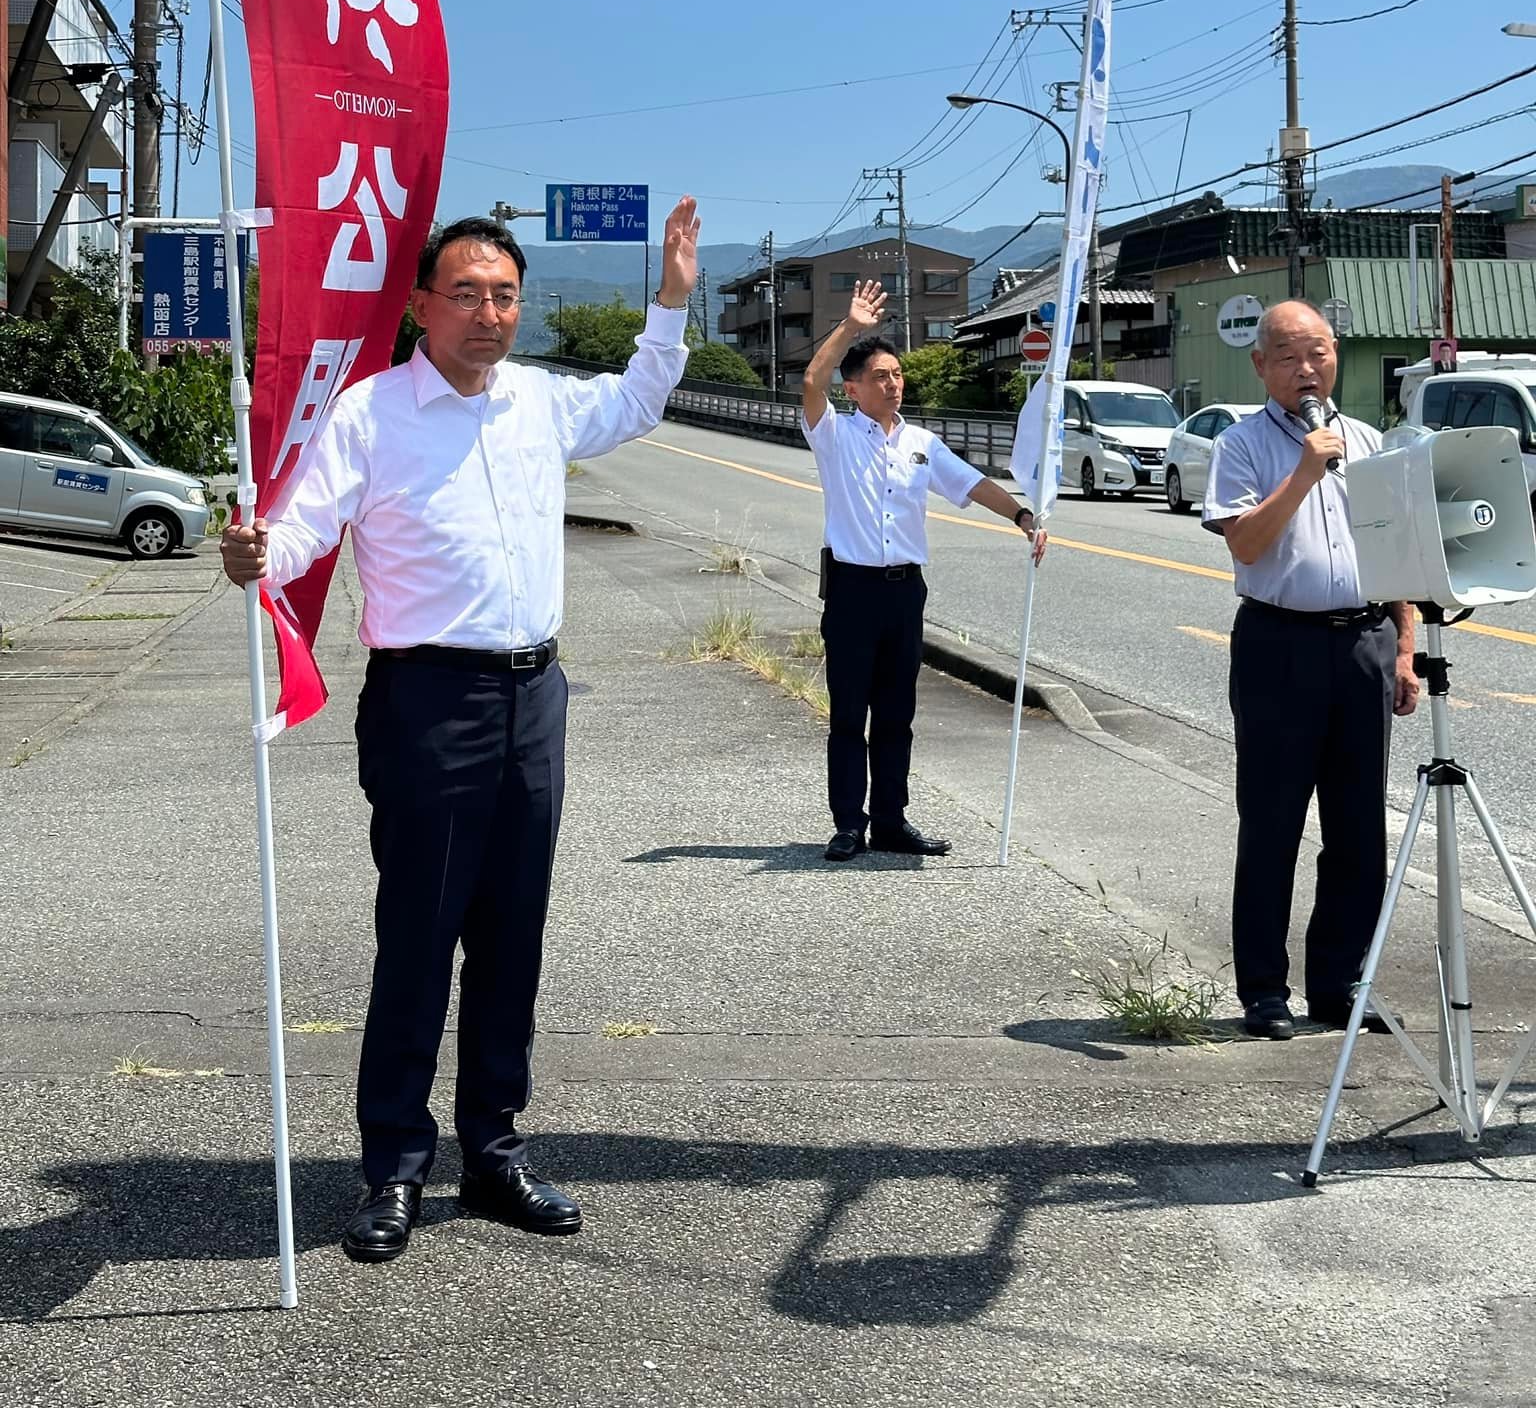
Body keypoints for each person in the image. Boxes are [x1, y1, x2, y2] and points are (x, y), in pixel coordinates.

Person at [220, 199, 700, 1263]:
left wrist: (671, 296)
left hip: (536, 695)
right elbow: (302, 525)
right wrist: (259, 547)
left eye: (505, 294)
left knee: (511, 935)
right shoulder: (373, 410)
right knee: (421, 936)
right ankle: (394, 1163)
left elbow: (636, 400)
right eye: (469, 292)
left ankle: (492, 1149)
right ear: (422, 304)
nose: (490, 312)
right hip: (427, 700)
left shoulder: (535, 400)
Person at [1202, 299, 1419, 1042]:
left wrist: (1406, 648)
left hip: (1361, 642)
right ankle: (1263, 989)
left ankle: (1341, 985)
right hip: (1278, 644)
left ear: (1338, 357)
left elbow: (1396, 554)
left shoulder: (1368, 441)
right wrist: (1303, 471)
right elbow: (1249, 547)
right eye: (1290, 356)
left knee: (1359, 830)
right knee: (1272, 821)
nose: (1307, 368)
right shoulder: (1240, 446)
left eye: (1319, 352)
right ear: (1261, 365)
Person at [800, 279, 1046, 863]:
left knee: (896, 715)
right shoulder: (833, 435)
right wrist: (851, 327)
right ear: (854, 388)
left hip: (904, 592)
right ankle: (847, 825)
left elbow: (970, 483)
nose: (893, 383)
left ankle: (890, 820)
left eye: (897, 374)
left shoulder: (921, 442)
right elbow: (812, 381)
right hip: (853, 591)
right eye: (880, 376)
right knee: (848, 715)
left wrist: (1021, 514)